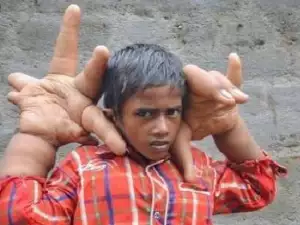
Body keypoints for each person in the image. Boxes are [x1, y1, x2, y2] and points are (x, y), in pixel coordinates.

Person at [0, 4, 286, 225]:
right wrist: (38, 138)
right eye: (145, 114)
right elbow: (21, 217)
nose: (162, 127)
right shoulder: (85, 168)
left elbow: (256, 189)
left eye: (172, 112)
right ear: (114, 117)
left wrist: (229, 126)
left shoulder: (197, 169)